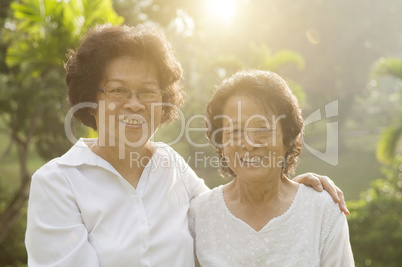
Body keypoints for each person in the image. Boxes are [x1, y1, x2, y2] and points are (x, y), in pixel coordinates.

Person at [25, 24, 348, 266]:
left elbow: (227, 207)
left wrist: (287, 185)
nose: (134, 104)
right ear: (91, 99)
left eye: (148, 91)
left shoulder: (170, 166)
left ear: (164, 100)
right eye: (118, 90)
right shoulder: (59, 182)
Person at [189, 69, 354, 266]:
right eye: (235, 130)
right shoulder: (199, 215)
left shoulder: (322, 211)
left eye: (262, 128)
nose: (249, 144)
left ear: (288, 135)